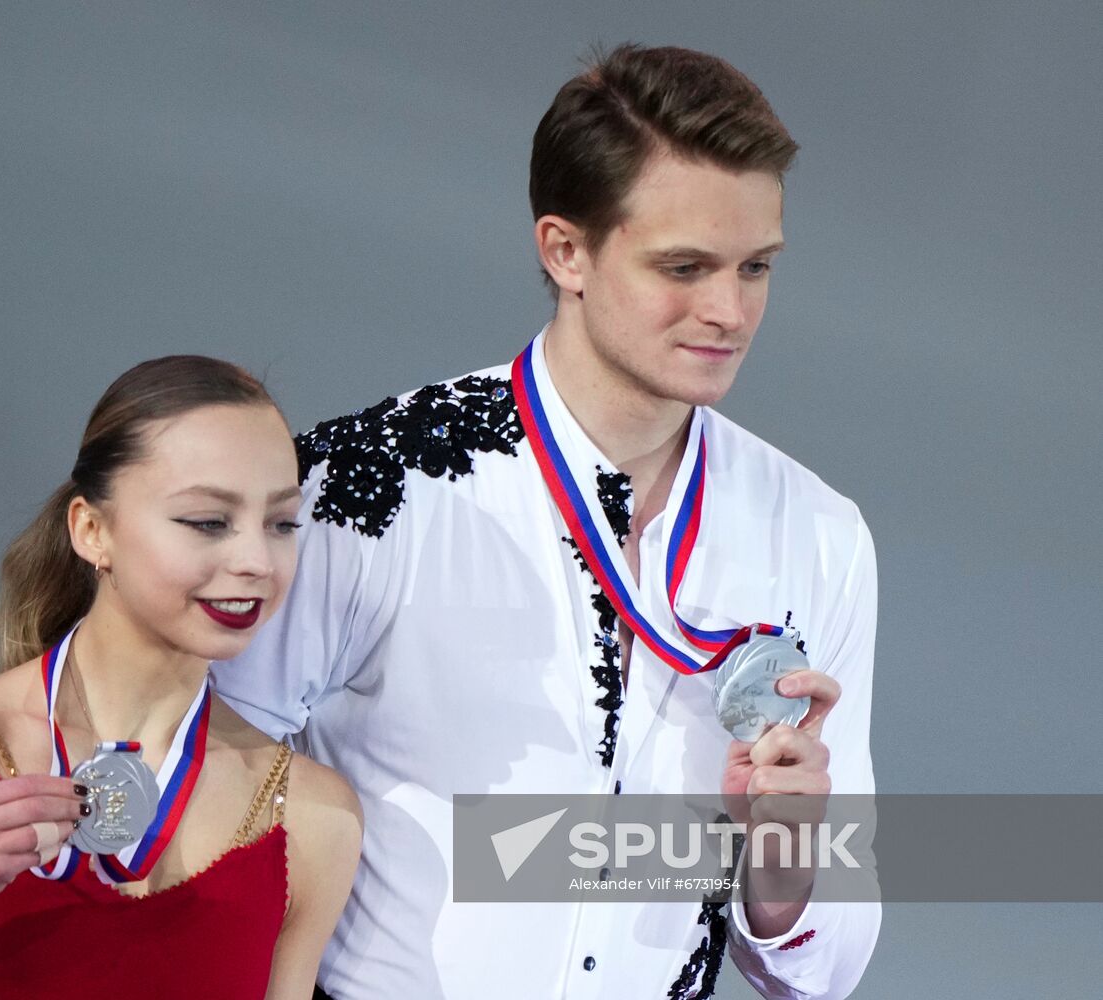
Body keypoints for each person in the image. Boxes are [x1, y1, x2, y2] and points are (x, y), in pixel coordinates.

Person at [212, 44, 879, 1000]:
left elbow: (818, 974)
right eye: (683, 266)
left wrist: (782, 860)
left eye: (757, 267)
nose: (729, 310)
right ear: (565, 250)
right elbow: (207, 813)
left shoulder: (818, 535)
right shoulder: (374, 482)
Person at [0, 356, 363, 999]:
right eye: (207, 522)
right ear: (91, 529)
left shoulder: (312, 814)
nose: (255, 561)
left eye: (281, 523)